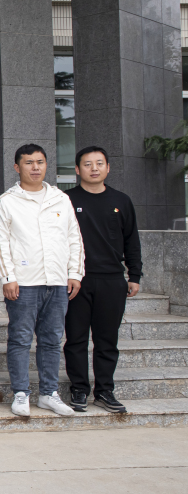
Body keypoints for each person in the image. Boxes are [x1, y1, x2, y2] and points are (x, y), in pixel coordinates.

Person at [0, 144, 84, 418]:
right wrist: (8, 277)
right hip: (23, 283)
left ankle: (48, 393)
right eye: (29, 162)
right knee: (20, 339)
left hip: (57, 281)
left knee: (52, 340)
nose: (35, 167)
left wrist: (74, 273)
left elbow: (74, 237)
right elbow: (1, 242)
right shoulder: (7, 201)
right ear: (17, 167)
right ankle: (21, 393)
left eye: (40, 162)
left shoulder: (60, 199)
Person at [64, 146, 141, 414]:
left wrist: (134, 274)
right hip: (77, 280)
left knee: (107, 339)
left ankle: (105, 390)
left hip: (112, 280)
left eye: (99, 163)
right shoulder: (66, 200)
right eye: (87, 164)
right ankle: (79, 389)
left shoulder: (121, 200)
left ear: (108, 168)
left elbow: (132, 240)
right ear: (77, 169)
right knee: (76, 338)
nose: (94, 168)